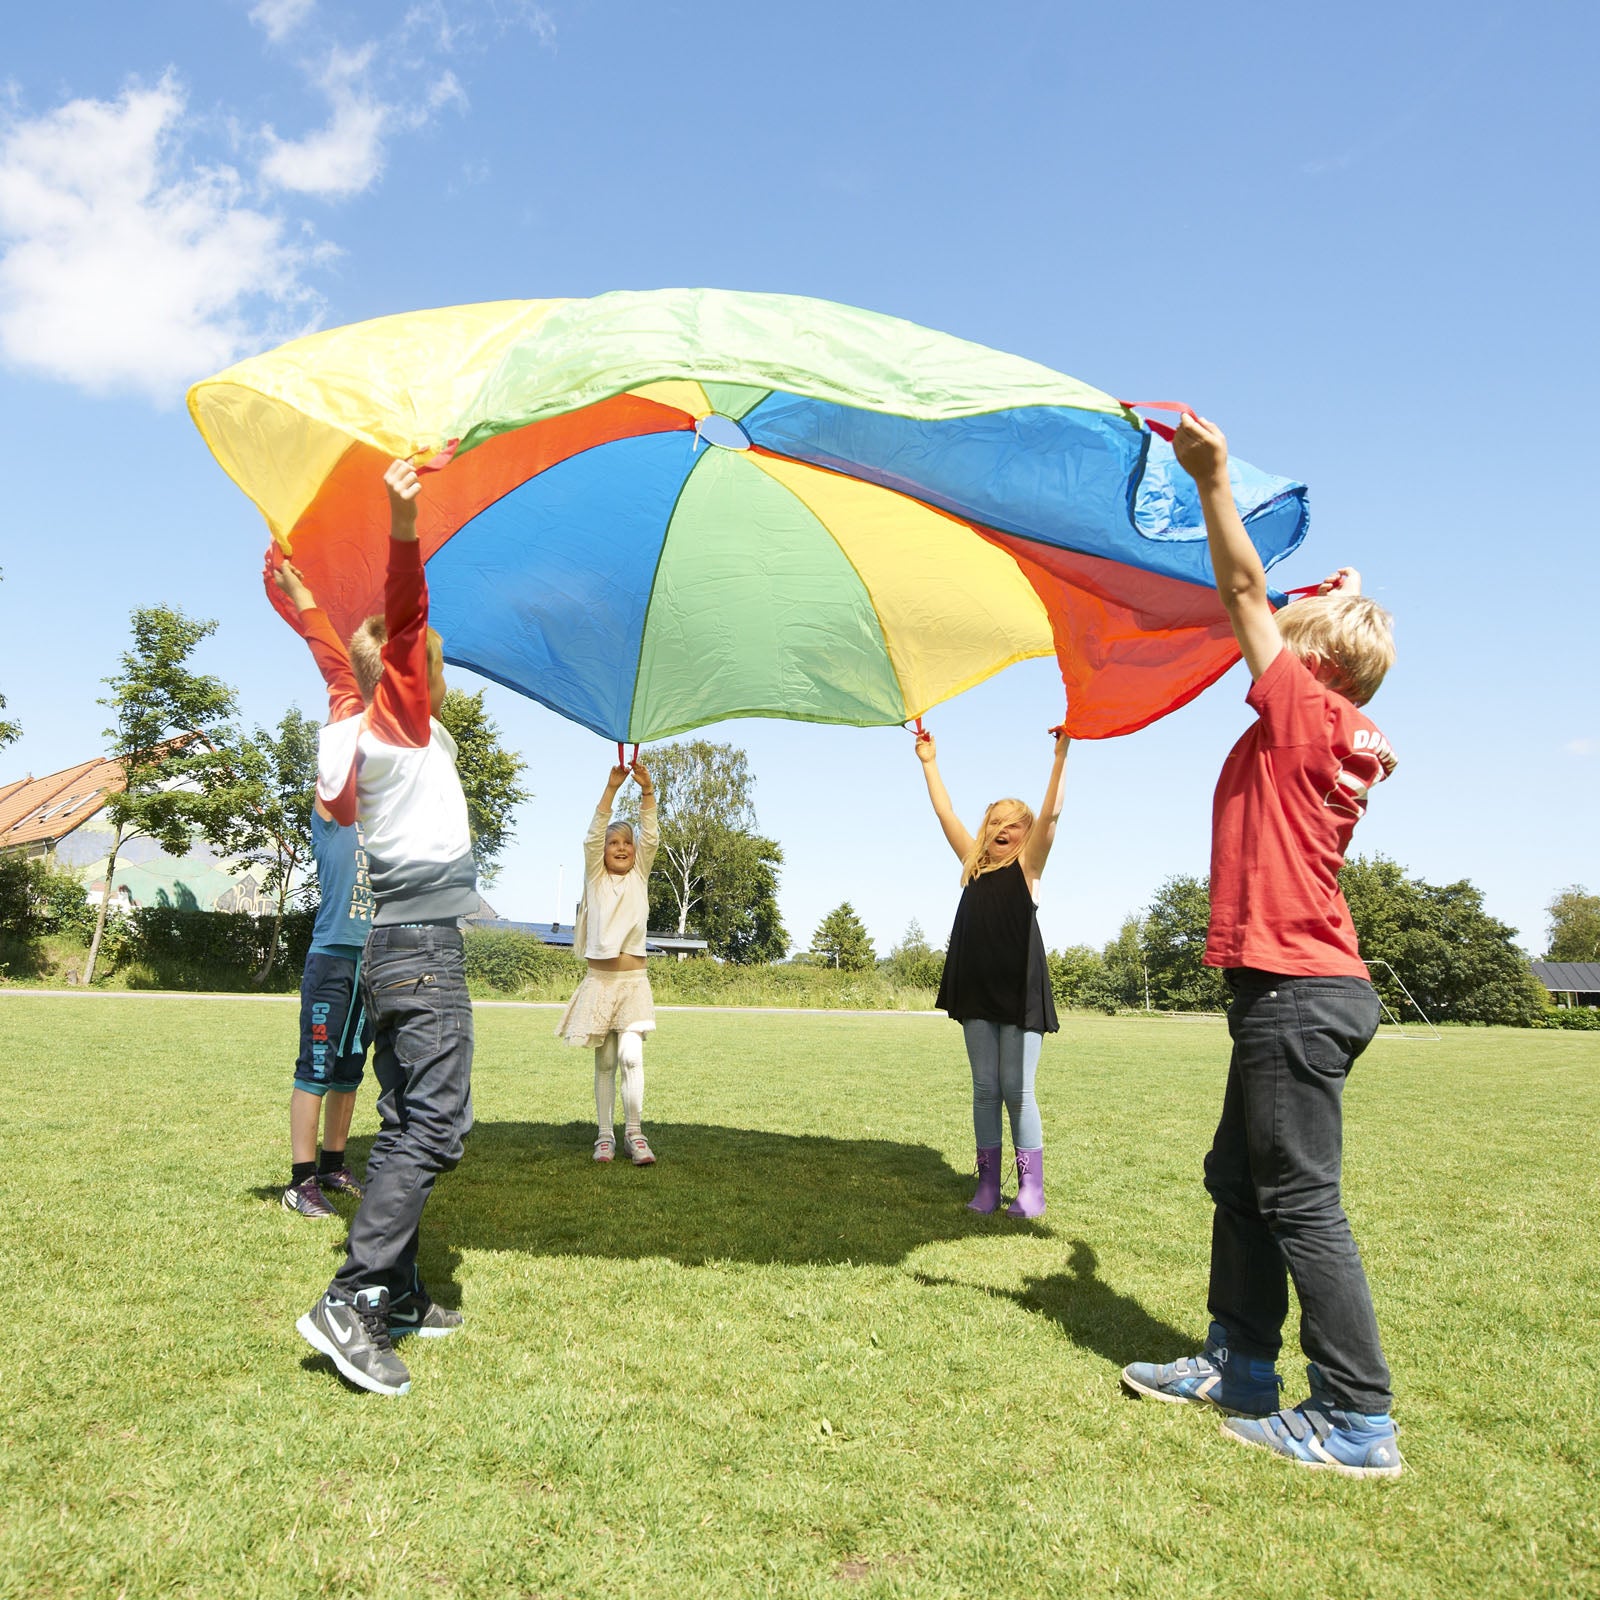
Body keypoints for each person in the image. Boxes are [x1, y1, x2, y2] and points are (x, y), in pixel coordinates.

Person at [1120, 413, 1402, 1478]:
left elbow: (1243, 592)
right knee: (1235, 1177)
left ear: (1315, 657)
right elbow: (1289, 612)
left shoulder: (1296, 709)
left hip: (1294, 987)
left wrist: (1214, 481)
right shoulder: (1339, 724)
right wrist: (1343, 592)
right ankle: (1238, 1363)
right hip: (1300, 984)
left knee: (1296, 1199)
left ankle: (1356, 1417)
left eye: (1309, 623)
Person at [278, 459, 479, 1397]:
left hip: (400, 949)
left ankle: (395, 1292)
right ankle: (354, 1299)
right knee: (436, 1124)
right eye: (427, 658)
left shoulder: (377, 725)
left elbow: (343, 662)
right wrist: (403, 518)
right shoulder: (400, 727)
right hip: (425, 954)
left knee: (408, 1116)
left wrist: (305, 610)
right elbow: (399, 623)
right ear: (413, 675)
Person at [915, 725, 1069, 1217]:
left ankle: (1031, 1191)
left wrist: (1062, 755)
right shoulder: (971, 863)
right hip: (977, 989)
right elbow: (944, 811)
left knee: (1018, 1091)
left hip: (1020, 993)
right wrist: (928, 761)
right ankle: (986, 1186)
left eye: (1014, 824)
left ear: (1025, 835)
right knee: (985, 1089)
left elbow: (1053, 814)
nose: (1004, 830)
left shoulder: (1030, 869)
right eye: (996, 822)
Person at [557, 759, 660, 1165]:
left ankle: (635, 1135)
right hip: (600, 983)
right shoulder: (596, 879)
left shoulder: (639, 876)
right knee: (605, 1061)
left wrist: (647, 792)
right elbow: (592, 834)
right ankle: (604, 1137)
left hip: (634, 983)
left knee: (630, 1057)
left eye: (627, 844)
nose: (620, 848)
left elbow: (650, 834)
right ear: (602, 853)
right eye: (613, 843)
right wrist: (612, 789)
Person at [280, 794, 374, 1219]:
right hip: (332, 959)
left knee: (350, 1067)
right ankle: (301, 1182)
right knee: (316, 1065)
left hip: (372, 961)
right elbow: (331, 770)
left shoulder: (387, 832)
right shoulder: (333, 823)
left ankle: (334, 1166)